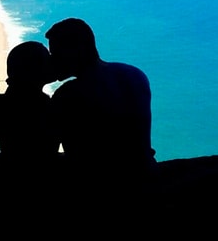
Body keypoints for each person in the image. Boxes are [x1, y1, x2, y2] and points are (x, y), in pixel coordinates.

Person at [45, 18, 157, 232]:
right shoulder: (134, 74)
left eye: (57, 53)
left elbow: (46, 152)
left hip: (97, 194)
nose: (54, 60)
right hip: (146, 178)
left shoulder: (68, 95)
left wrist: (37, 81)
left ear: (77, 49)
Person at [0, 40, 60, 188]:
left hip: (7, 179)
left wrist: (12, 165)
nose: (52, 63)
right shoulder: (51, 106)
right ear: (34, 70)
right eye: (46, 60)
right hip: (43, 182)